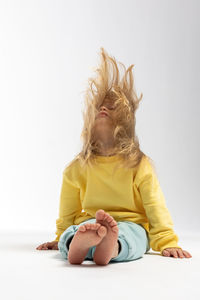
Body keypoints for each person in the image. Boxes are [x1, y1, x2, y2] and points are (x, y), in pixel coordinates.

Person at [36, 48, 192, 264]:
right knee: (73, 231)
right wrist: (60, 235)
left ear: (125, 122)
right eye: (100, 107)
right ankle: (77, 244)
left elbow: (155, 205)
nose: (103, 109)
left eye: (110, 107)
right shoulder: (78, 166)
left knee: (135, 237)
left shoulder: (139, 164)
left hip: (131, 224)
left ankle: (111, 246)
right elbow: (68, 210)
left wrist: (167, 241)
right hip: (90, 223)